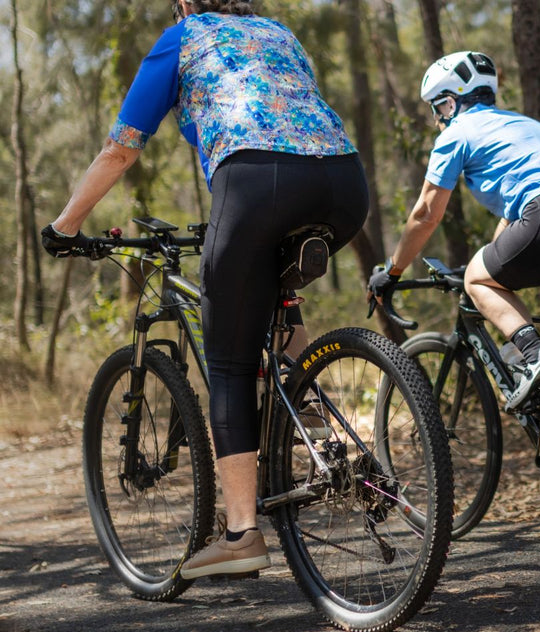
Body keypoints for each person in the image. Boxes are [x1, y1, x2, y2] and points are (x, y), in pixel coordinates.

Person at [42, 0, 368, 580]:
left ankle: (243, 533)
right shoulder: (277, 32)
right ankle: (308, 410)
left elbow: (121, 147)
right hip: (345, 186)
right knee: (271, 294)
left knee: (230, 364)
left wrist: (65, 226)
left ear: (187, 2)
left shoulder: (183, 34)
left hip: (256, 183)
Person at [368, 51, 540, 419]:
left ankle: (533, 354)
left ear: (449, 102)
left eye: (436, 109)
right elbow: (517, 216)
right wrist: (491, 255)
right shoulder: (524, 125)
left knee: (477, 279)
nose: (435, 119)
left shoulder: (458, 133)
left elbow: (427, 213)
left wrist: (393, 270)